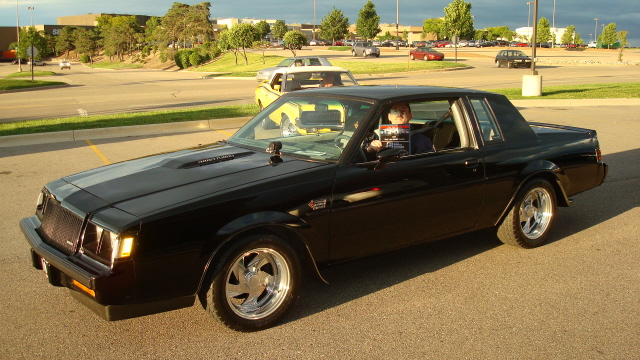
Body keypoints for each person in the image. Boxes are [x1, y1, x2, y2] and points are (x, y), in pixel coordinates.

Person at [365, 102, 435, 157]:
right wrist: (370, 149)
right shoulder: (376, 135)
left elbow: (426, 160)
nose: (399, 114)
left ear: (410, 116)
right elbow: (360, 156)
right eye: (395, 111)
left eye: (403, 111)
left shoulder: (420, 139)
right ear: (389, 116)